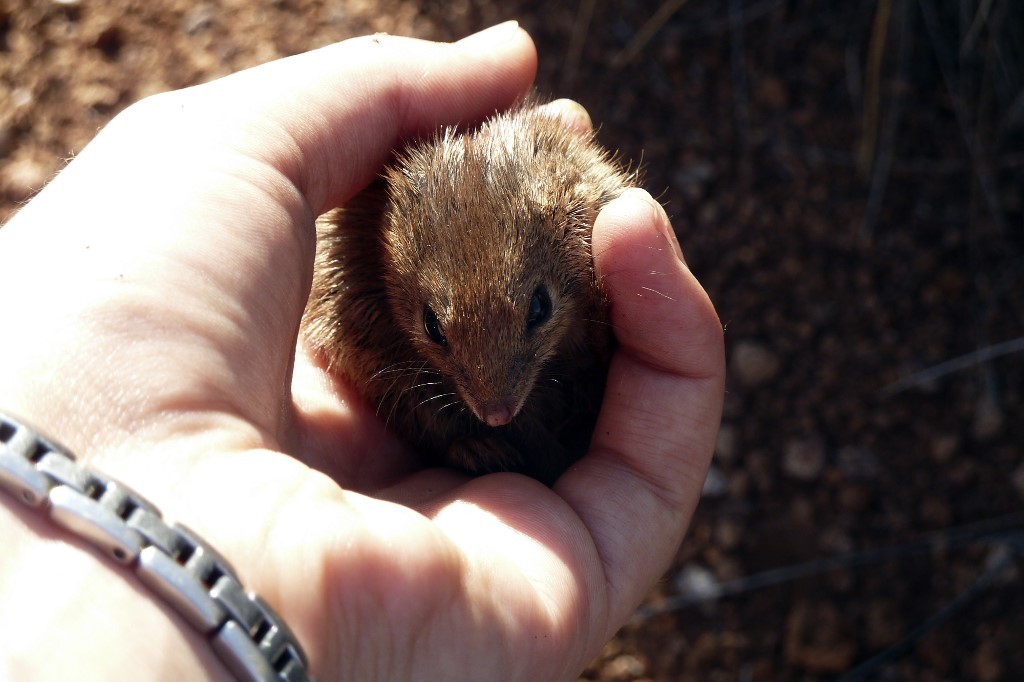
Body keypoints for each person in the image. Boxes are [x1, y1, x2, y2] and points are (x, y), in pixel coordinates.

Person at [0, 22, 724, 681]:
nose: (493, 404)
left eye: (535, 312)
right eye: (437, 331)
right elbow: (352, 338)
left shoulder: (565, 201)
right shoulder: (375, 263)